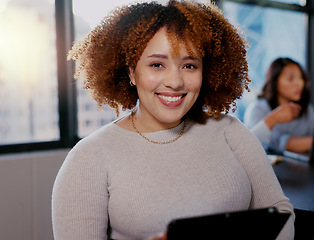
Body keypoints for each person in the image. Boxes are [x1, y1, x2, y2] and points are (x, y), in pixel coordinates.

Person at [51, 1, 294, 240]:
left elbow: (280, 213)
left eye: (189, 65)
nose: (175, 82)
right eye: (157, 64)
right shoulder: (88, 158)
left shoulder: (230, 131)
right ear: (131, 73)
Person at [243, 57, 314, 154]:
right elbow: (248, 146)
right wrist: (274, 118)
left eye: (301, 78)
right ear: (275, 81)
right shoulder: (257, 109)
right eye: (291, 79)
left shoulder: (307, 109)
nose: (299, 83)